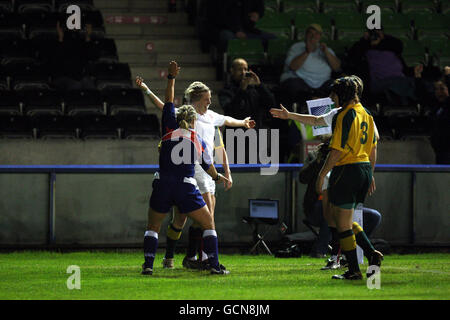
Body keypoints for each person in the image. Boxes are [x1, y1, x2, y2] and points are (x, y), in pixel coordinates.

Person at [136, 76, 256, 270]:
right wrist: (147, 89)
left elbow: (224, 129)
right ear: (197, 99)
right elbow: (164, 104)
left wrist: (243, 123)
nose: (210, 101)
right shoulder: (188, 120)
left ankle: (172, 258)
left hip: (186, 173)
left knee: (181, 219)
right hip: (195, 170)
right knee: (207, 219)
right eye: (207, 98)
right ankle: (207, 259)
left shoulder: (206, 118)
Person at [142, 60, 230, 276]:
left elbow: (169, 99)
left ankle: (148, 266)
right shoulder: (195, 137)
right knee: (209, 223)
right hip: (185, 187)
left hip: (162, 183)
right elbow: (208, 166)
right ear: (192, 120)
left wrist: (171, 78)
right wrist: (219, 176)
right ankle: (214, 265)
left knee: (153, 227)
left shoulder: (168, 128)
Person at [315, 77, 382, 280]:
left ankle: (354, 269)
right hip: (363, 168)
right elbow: (373, 146)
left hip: (347, 169)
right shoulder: (367, 113)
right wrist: (370, 172)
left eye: (334, 94)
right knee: (341, 218)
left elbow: (336, 151)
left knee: (341, 223)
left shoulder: (344, 115)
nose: (332, 98)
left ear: (342, 94)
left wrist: (321, 174)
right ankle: (370, 254)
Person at [347, 27, 416, 107]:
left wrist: (384, 38)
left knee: (410, 83)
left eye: (378, 33)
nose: (375, 36)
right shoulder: (365, 47)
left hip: (398, 78)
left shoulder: (390, 45)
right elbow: (352, 56)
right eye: (373, 33)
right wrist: (365, 41)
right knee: (402, 84)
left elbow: (399, 46)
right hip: (380, 82)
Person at [279, 23, 341, 111]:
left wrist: (326, 52)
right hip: (301, 82)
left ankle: (333, 118)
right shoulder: (297, 47)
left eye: (316, 34)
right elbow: (293, 67)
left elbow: (336, 67)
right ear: (306, 35)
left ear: (320, 36)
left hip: (323, 83)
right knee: (292, 86)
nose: (313, 36)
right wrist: (307, 52)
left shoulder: (325, 49)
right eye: (310, 33)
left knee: (338, 87)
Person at [219, 58, 276, 129]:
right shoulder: (226, 90)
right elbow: (230, 111)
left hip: (255, 133)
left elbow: (271, 104)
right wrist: (242, 90)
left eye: (245, 69)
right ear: (232, 71)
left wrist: (260, 85)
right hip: (235, 134)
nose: (243, 72)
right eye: (239, 69)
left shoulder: (255, 89)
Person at [414, 65, 450, 164]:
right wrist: (418, 76)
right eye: (436, 89)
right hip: (440, 151)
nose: (439, 92)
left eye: (442, 89)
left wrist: (448, 76)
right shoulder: (437, 105)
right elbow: (423, 94)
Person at [50, 20, 96, 92]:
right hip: (63, 76)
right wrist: (61, 38)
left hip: (79, 76)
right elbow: (56, 59)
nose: (74, 27)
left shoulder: (80, 40)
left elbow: (91, 56)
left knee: (88, 83)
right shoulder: (57, 40)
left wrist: (88, 36)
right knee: (76, 84)